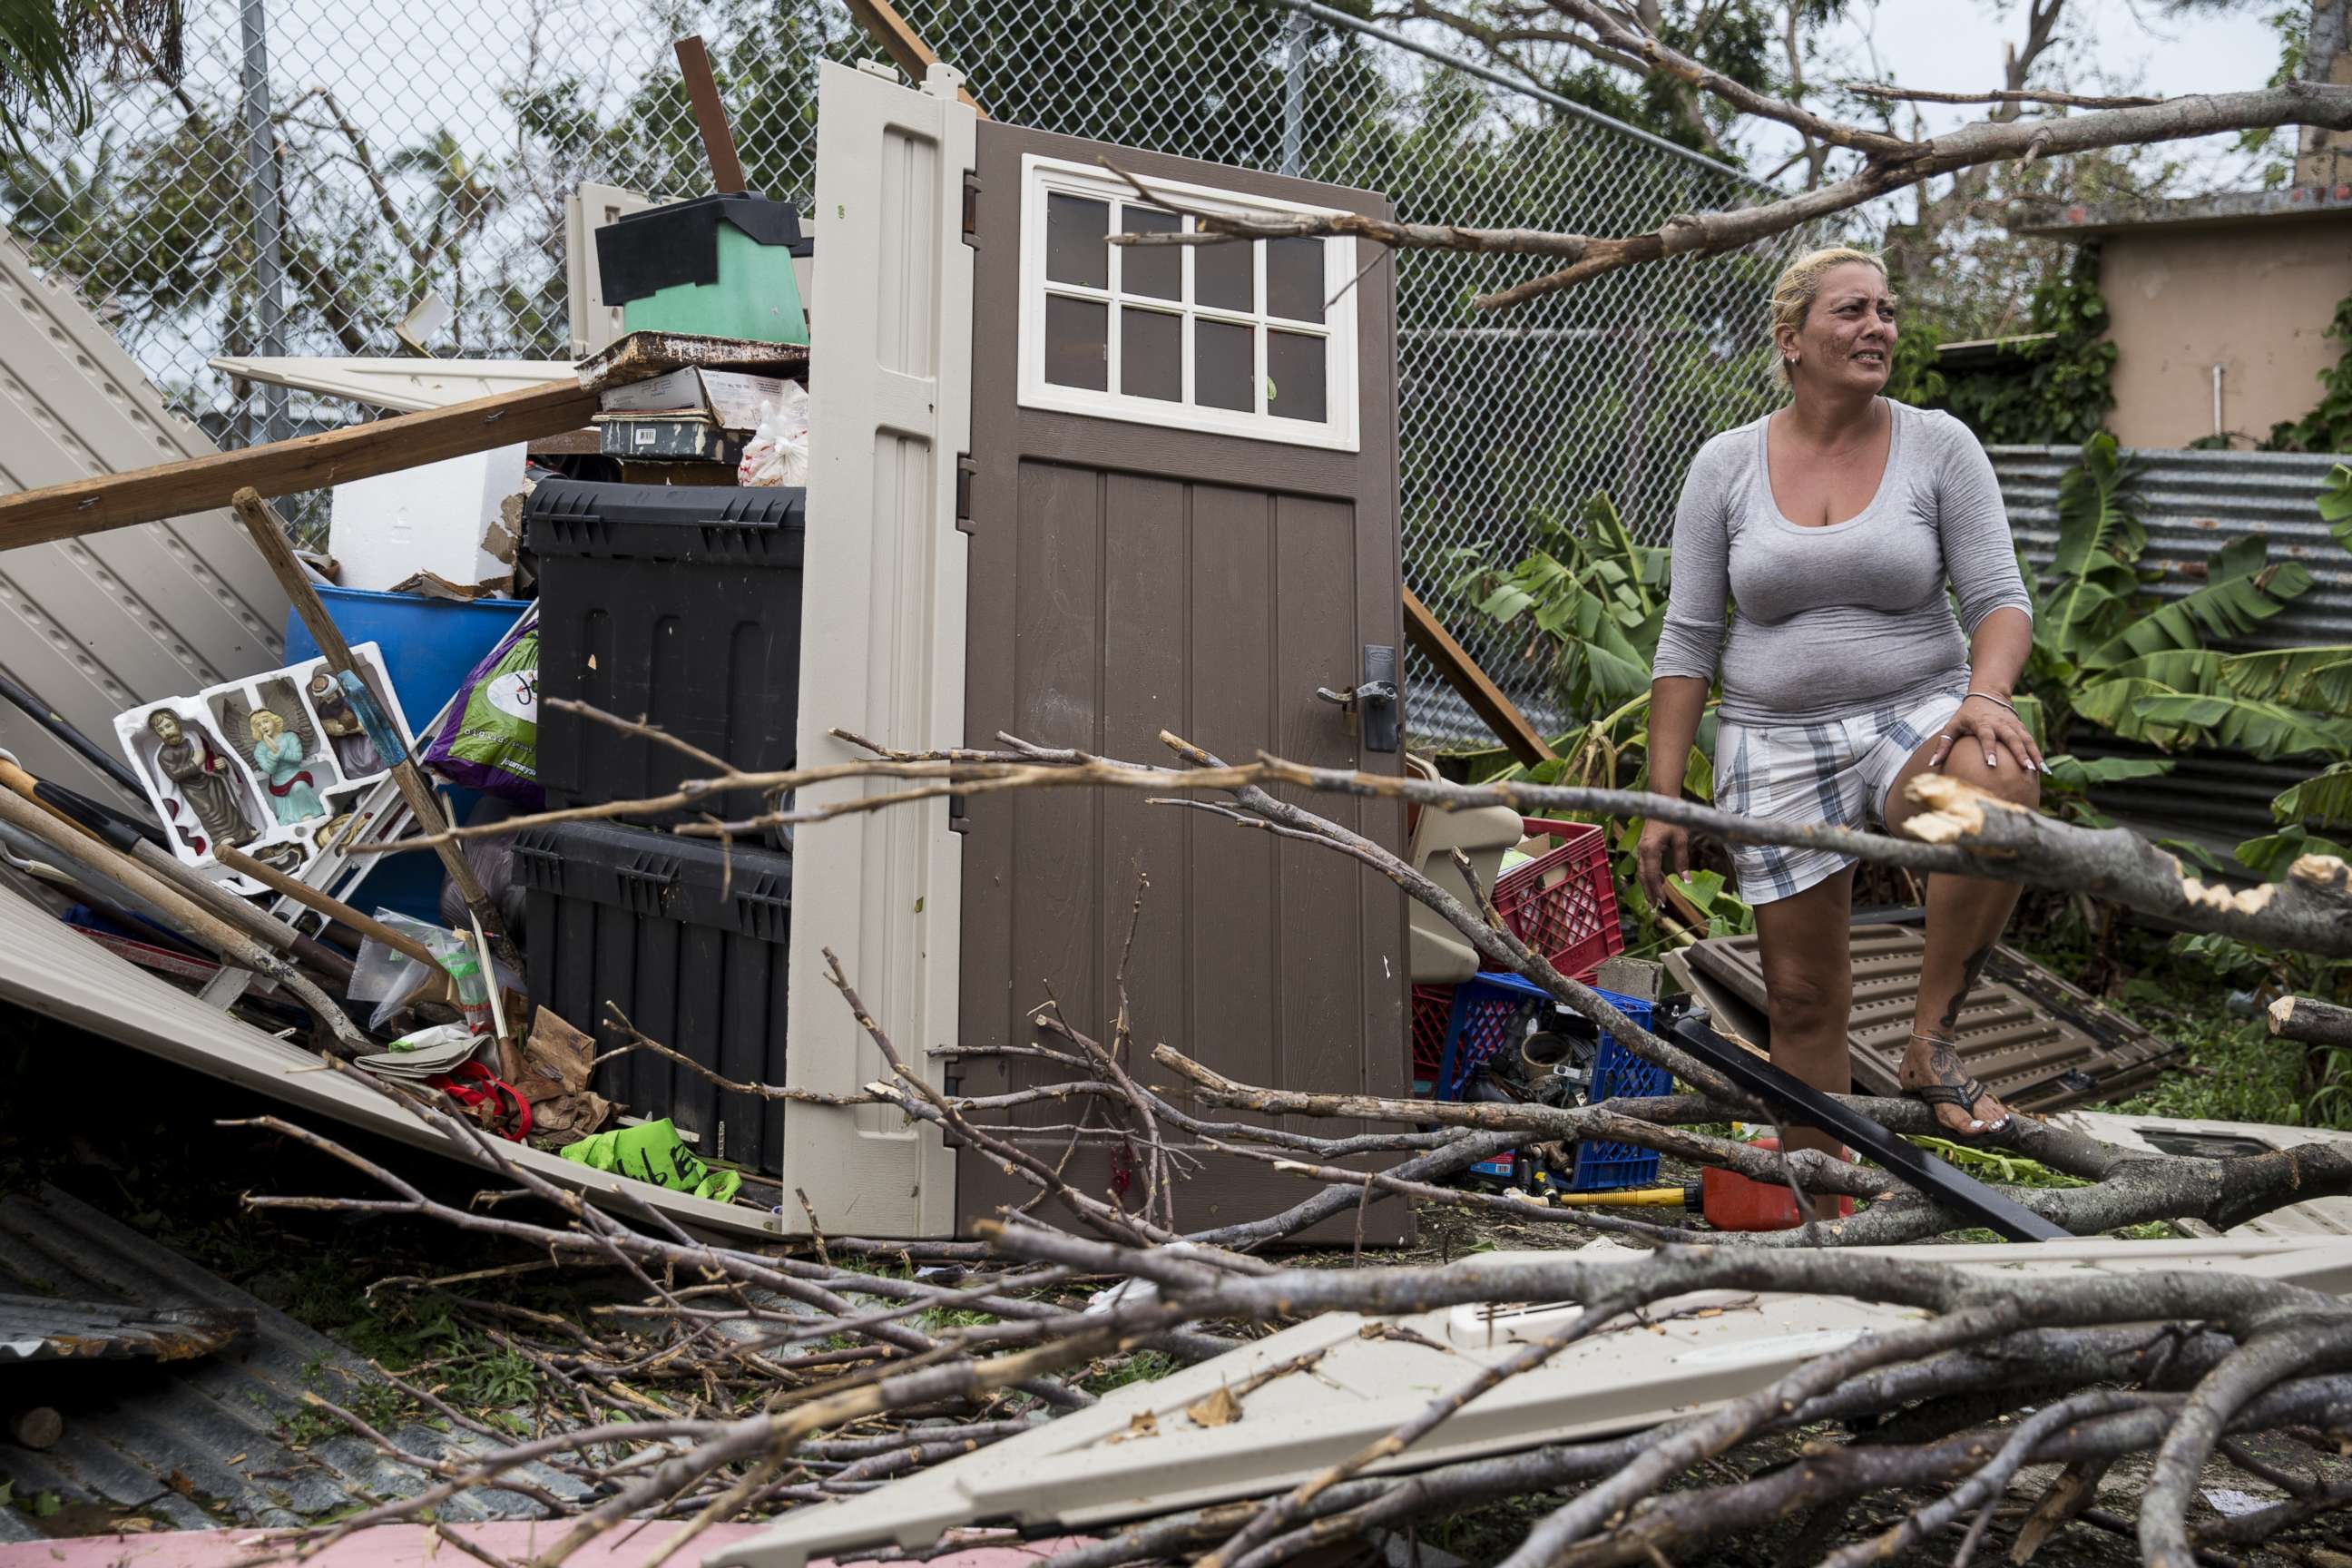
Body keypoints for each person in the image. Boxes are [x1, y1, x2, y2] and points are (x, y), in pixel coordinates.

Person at [1638, 245, 2044, 1181]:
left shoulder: (1939, 444)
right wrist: (1664, 798)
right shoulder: (1725, 464)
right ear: (1791, 340)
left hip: (1917, 710)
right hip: (1772, 737)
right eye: (1852, 312)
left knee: (2000, 784)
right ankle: (1828, 1213)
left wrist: (1985, 698)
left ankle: (1931, 1042)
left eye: (1886, 312)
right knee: (1803, 997)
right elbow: (1689, 638)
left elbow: (1999, 597)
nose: (1878, 329)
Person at [248, 708, 327, 826]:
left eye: (266, 721)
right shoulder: (260, 748)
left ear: (274, 721)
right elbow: (269, 770)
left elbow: (297, 758)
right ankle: (288, 817)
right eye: (259, 725)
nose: (263, 726)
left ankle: (308, 812)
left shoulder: (290, 737)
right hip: (278, 780)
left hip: (295, 773)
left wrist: (281, 753)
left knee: (299, 787)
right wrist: (273, 757)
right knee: (283, 803)